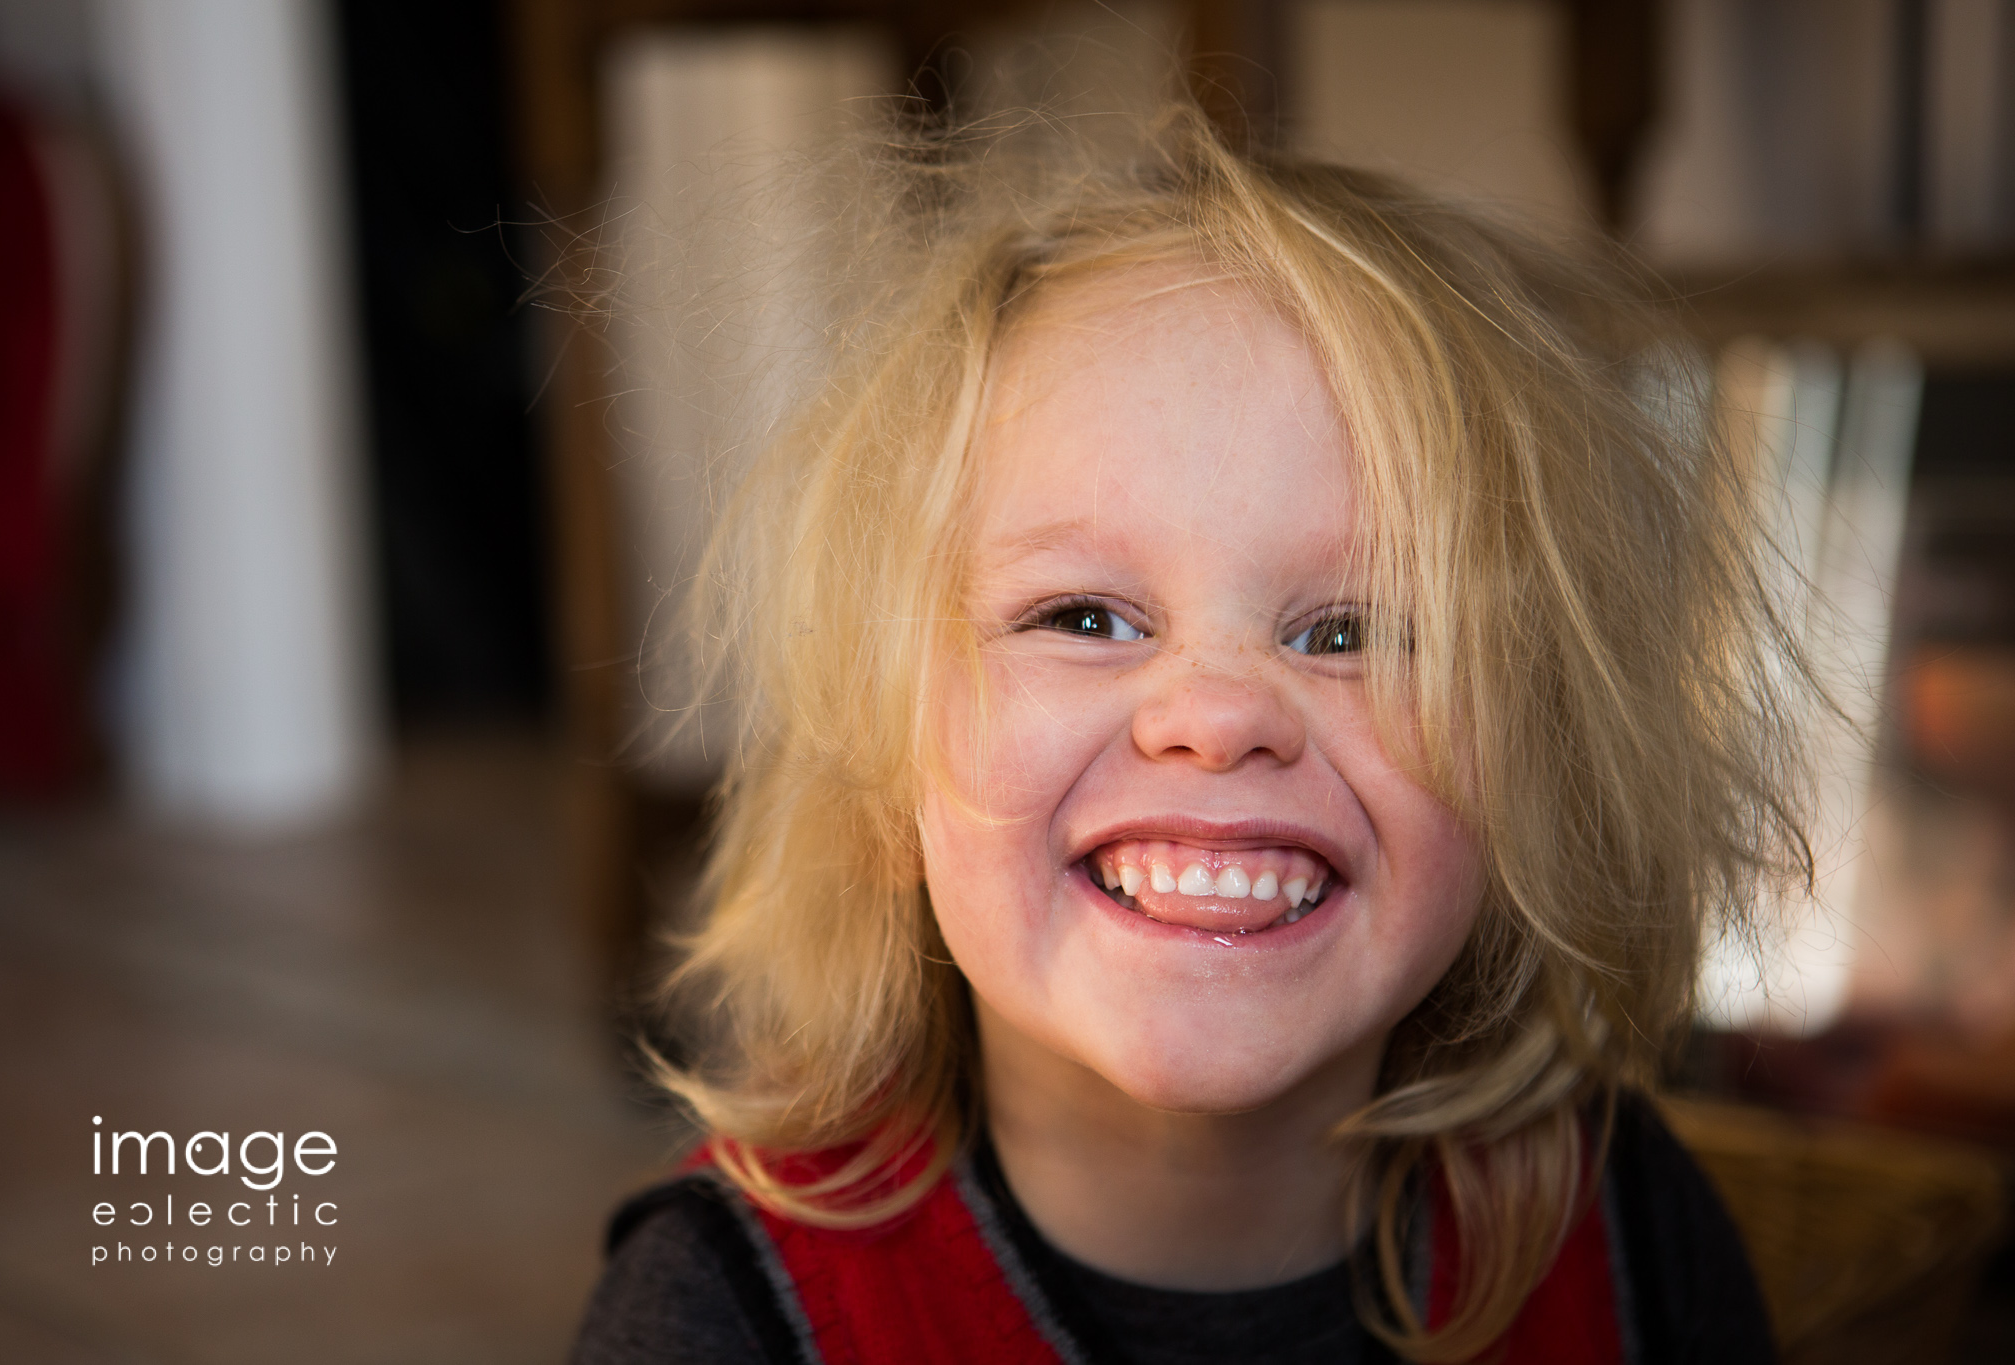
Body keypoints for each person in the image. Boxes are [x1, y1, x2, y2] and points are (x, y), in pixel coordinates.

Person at [572, 106, 1799, 1364]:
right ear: (887, 771)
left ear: (1537, 773)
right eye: (1083, 615)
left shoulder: (1631, 1233)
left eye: (1351, 633)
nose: (1216, 718)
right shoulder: (716, 1315)